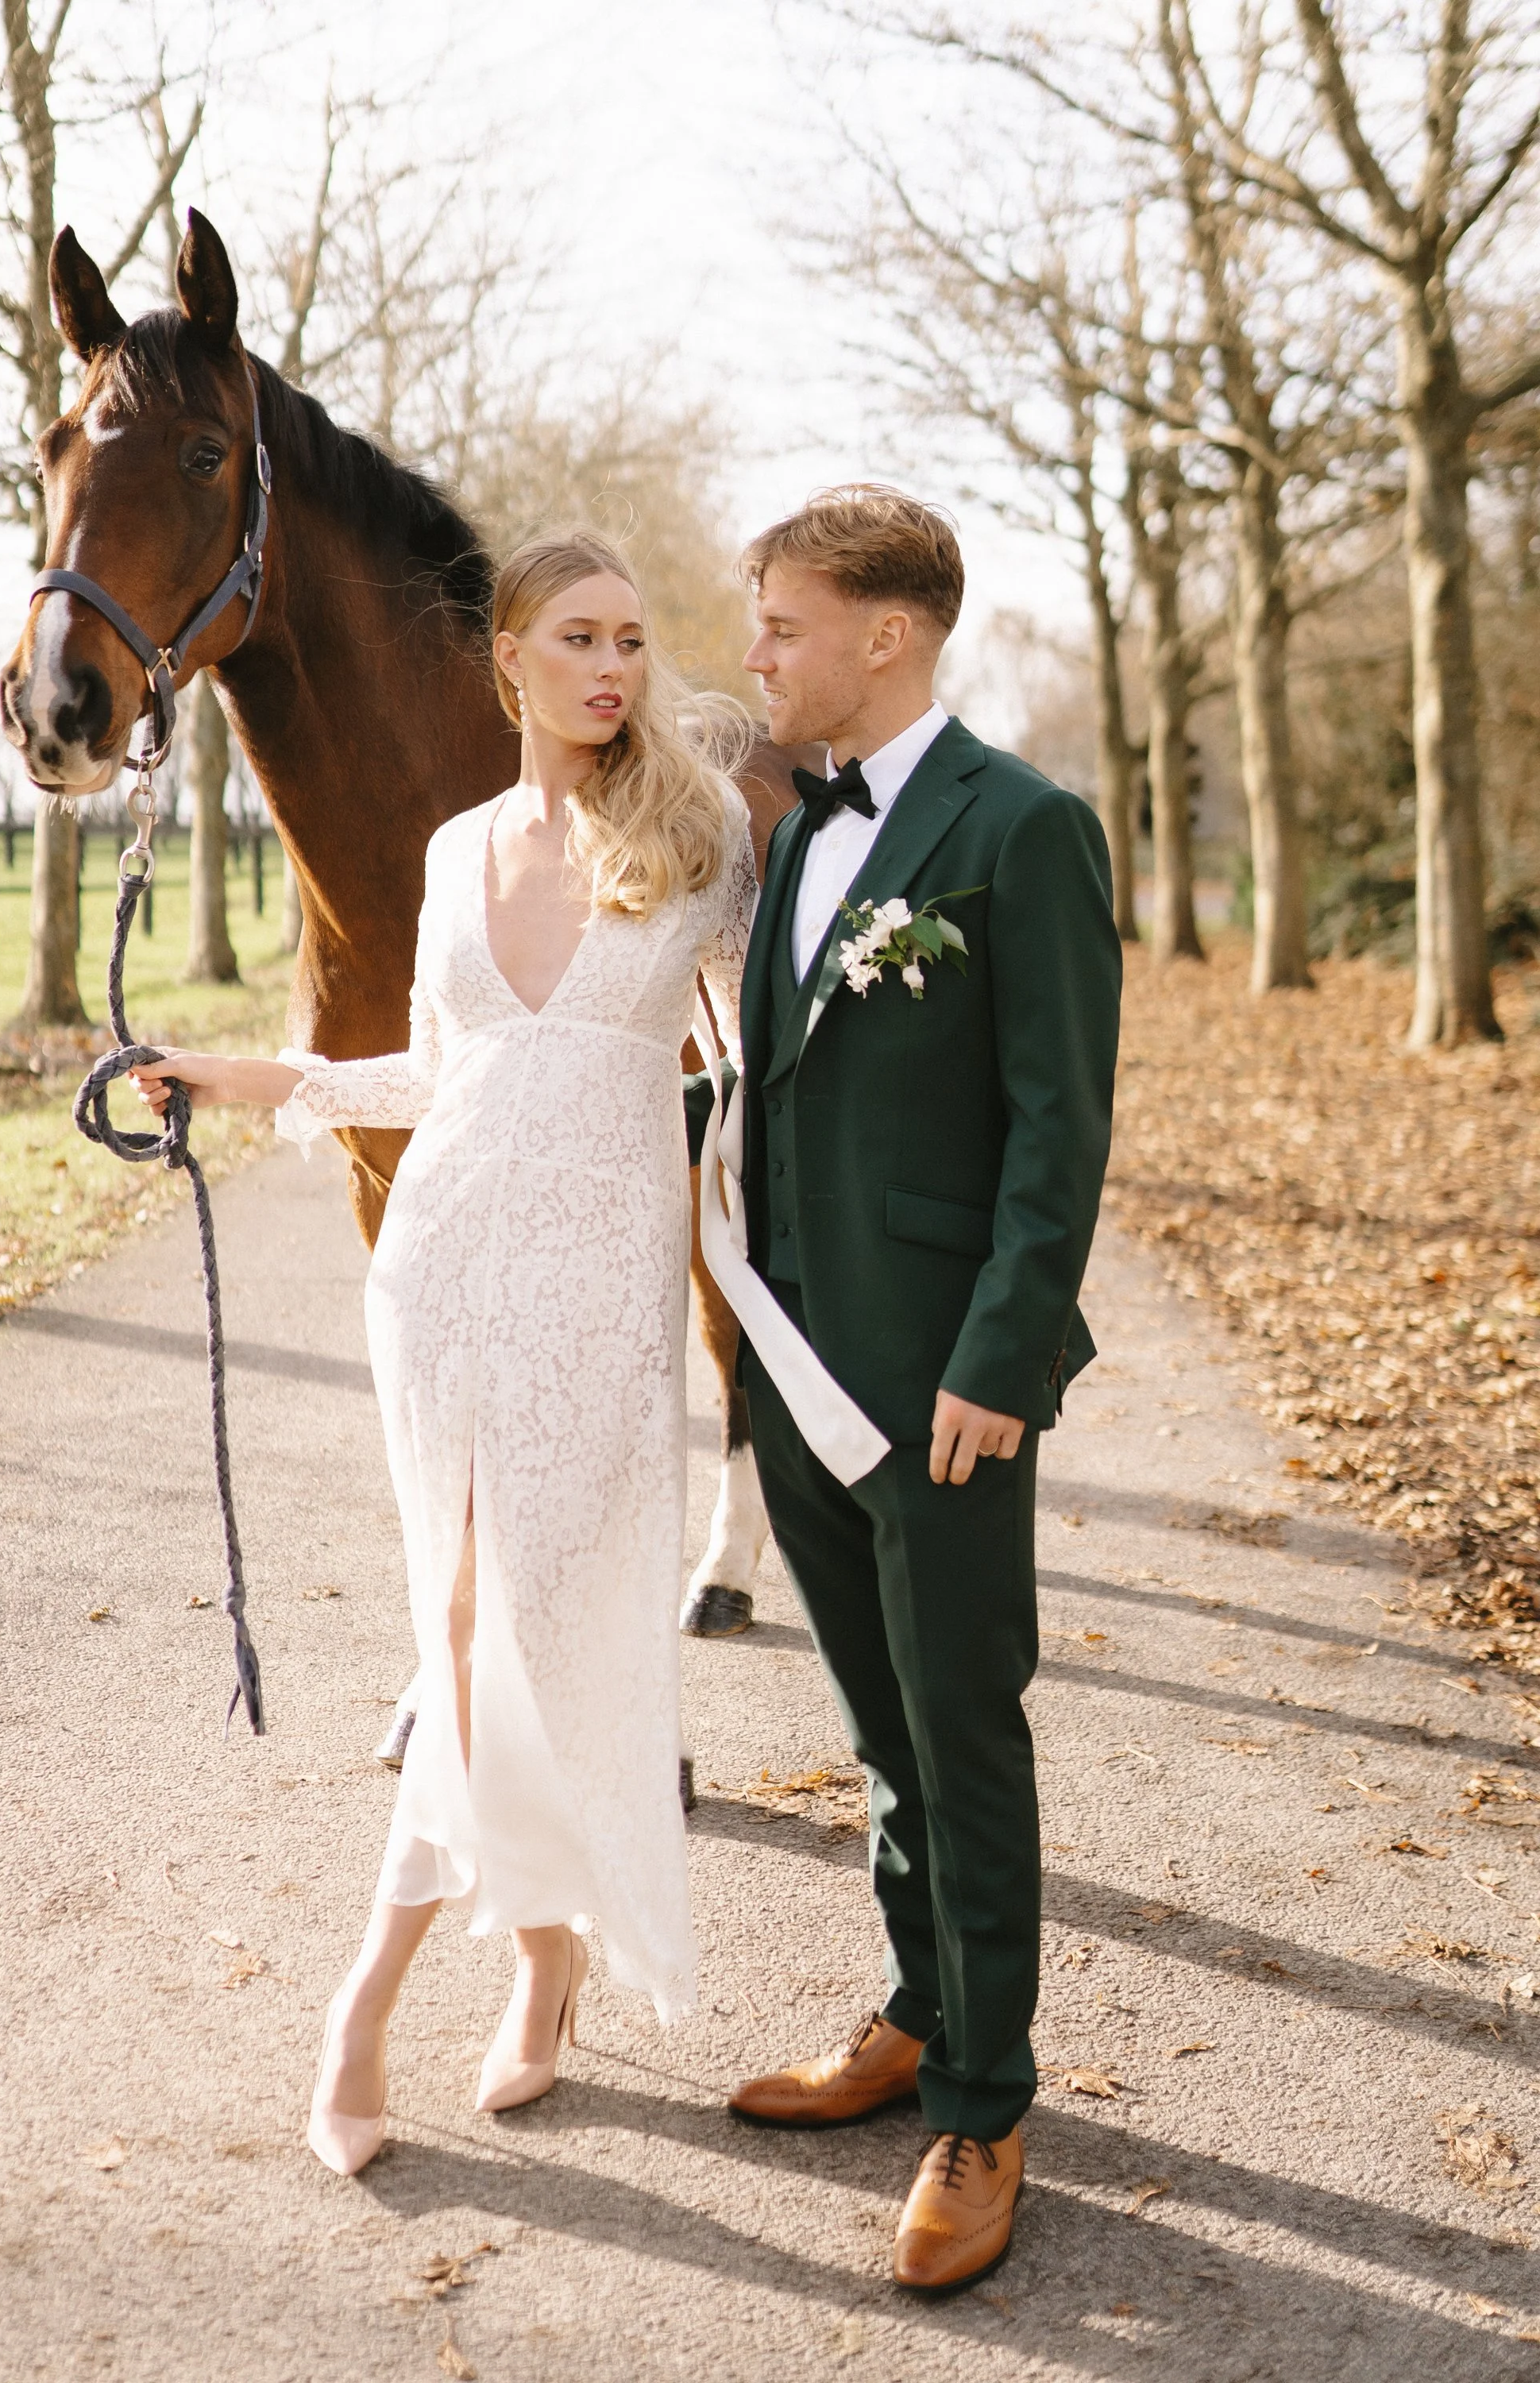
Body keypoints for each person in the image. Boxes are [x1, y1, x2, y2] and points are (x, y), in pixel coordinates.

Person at [131, 531, 757, 2175]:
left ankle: (367, 2002)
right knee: (470, 1624)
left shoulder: (701, 846)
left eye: (632, 637)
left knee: (514, 1632)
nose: (613, 666)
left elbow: (767, 1071)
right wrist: (240, 1075)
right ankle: (542, 1968)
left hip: (602, 1298)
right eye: (579, 637)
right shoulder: (461, 845)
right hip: (443, 1278)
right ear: (512, 663)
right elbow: (431, 1075)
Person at [715, 486, 1121, 2293]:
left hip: (944, 1387)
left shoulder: (1023, 831)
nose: (758, 656)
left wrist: (1001, 1362)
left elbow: (1062, 1129)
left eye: (785, 626)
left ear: (889, 635)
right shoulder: (798, 840)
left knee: (962, 1732)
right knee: (877, 1727)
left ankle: (982, 2096)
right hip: (796, 1364)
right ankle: (909, 2008)